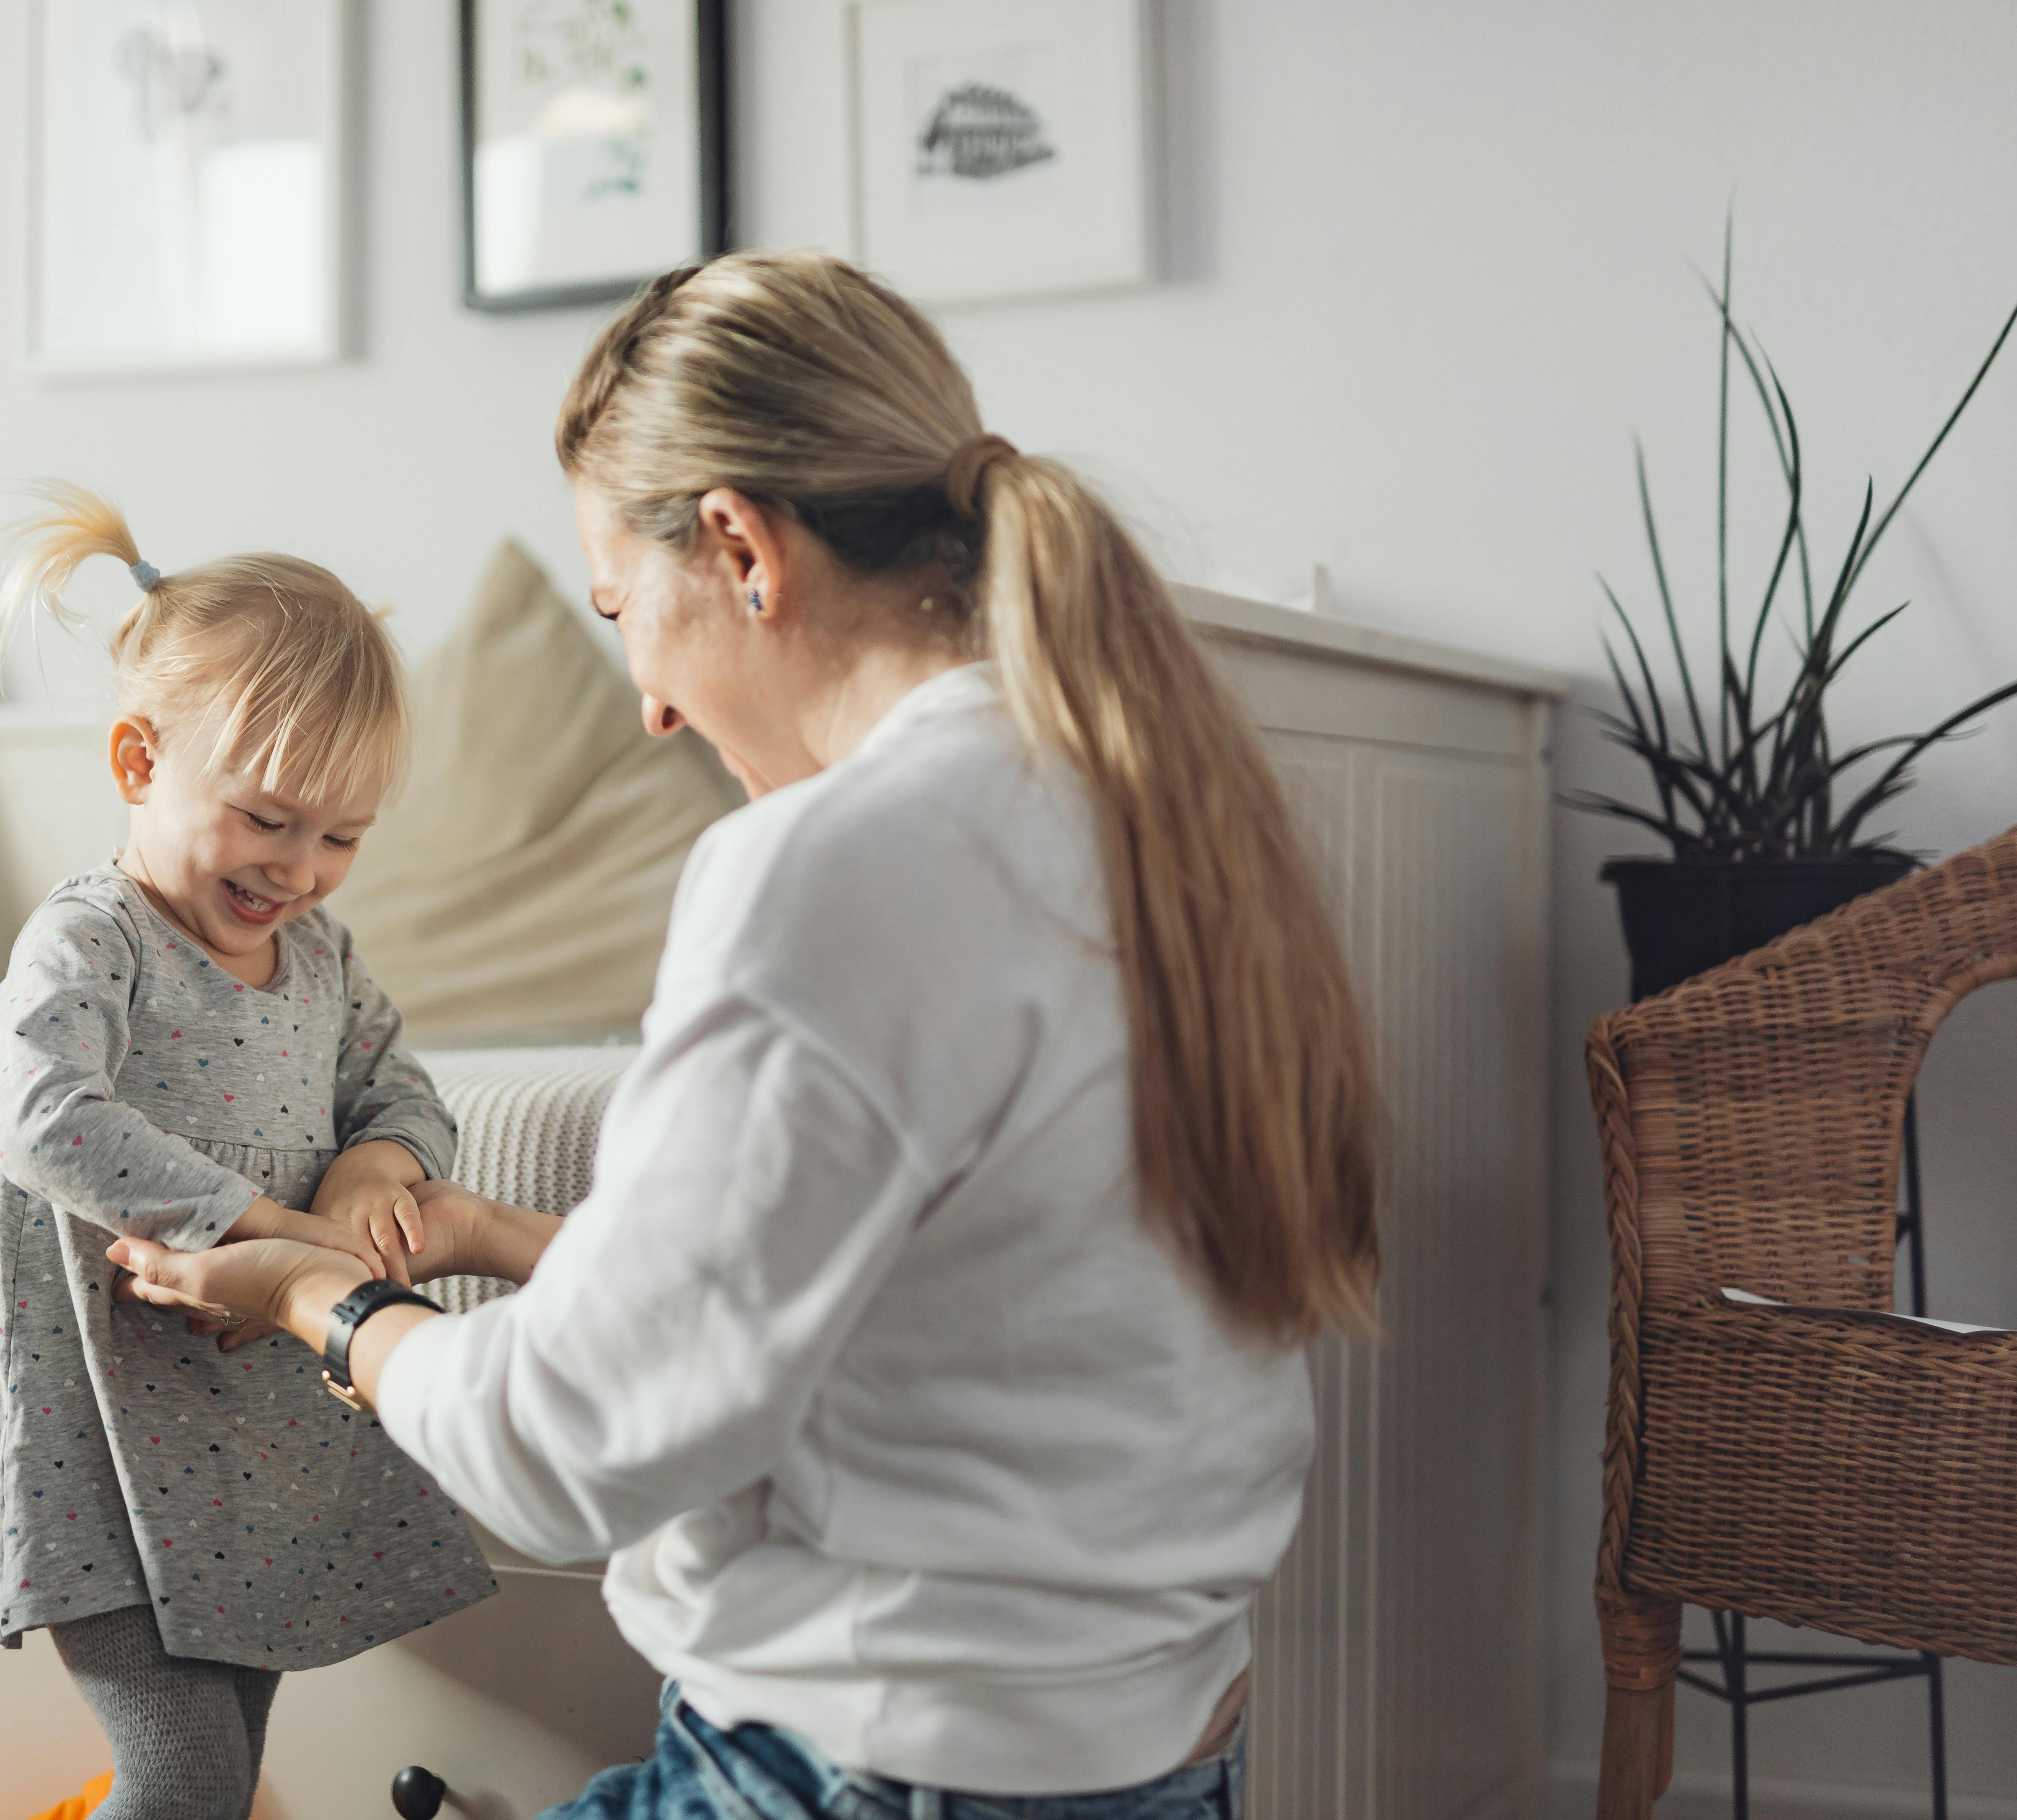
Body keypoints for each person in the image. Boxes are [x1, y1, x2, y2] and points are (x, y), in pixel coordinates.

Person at [112, 251, 1381, 1820]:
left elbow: (565, 1452)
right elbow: (932, 1309)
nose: (646, 702)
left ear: (737, 547)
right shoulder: (1149, 807)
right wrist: (517, 1241)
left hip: (867, 1768)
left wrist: (323, 1295)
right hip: (1153, 1755)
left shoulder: (840, 867)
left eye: (622, 608)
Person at [0, 486, 493, 1820]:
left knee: (222, 1770)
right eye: (267, 820)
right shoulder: (94, 942)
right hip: (112, 1447)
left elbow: (398, 1081)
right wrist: (262, 1217)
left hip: (252, 1450)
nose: (302, 868)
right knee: (183, 1770)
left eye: (343, 836)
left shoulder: (318, 956)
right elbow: (41, 1116)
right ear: (140, 762)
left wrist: (380, 1170)